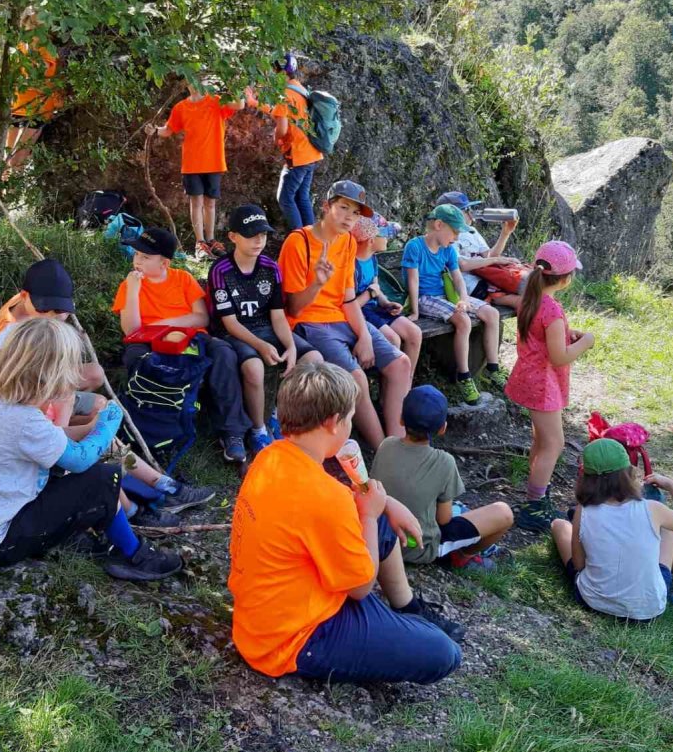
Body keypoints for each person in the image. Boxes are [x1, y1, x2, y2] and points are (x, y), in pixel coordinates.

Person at [228, 361, 464, 684]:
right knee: (444, 652)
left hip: (264, 618)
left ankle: (406, 608)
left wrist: (387, 504)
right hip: (297, 638)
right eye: (350, 418)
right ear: (332, 422)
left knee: (374, 516)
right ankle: (404, 627)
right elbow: (361, 588)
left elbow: (328, 505)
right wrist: (369, 515)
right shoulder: (326, 497)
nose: (351, 425)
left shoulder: (269, 458)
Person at [0, 318, 181, 581]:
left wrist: (90, 428)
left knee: (83, 475)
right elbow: (80, 460)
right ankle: (134, 554)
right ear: (50, 373)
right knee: (102, 478)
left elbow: (54, 441)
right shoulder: (25, 421)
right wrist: (107, 424)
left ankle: (90, 532)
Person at [278, 180, 412, 450]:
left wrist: (364, 336)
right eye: (343, 208)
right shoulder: (298, 242)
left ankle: (398, 448)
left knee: (402, 364)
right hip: (309, 323)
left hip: (342, 317)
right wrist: (316, 283)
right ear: (325, 206)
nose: (349, 217)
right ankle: (382, 452)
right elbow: (292, 309)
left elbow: (348, 298)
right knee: (357, 379)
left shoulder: (348, 242)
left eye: (356, 213)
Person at [112, 226, 251, 464]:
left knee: (223, 352)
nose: (138, 261)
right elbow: (131, 330)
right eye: (137, 255)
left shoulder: (183, 279)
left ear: (164, 263)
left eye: (146, 257)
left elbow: (201, 318)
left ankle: (232, 432)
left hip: (190, 337)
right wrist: (133, 291)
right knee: (135, 357)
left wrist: (163, 324)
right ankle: (150, 425)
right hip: (148, 342)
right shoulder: (129, 285)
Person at [208, 204, 322, 454]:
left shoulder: (270, 267)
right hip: (234, 332)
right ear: (233, 237)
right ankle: (258, 429)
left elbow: (278, 315)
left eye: (263, 234)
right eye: (251, 235)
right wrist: (260, 345)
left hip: (267, 327)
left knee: (313, 359)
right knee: (254, 367)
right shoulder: (220, 270)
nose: (258, 241)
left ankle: (280, 414)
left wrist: (290, 346)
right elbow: (230, 322)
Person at [372, 385, 514, 571]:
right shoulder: (444, 462)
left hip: (379, 537)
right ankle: (463, 557)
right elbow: (444, 519)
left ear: (401, 419)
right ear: (442, 428)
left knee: (459, 508)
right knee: (504, 513)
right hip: (418, 548)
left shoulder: (386, 445)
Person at [504, 240, 594, 533]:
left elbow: (542, 336)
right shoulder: (551, 309)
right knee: (554, 444)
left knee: (542, 441)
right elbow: (559, 356)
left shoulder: (530, 299)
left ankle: (537, 492)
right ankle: (533, 506)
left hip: (529, 378)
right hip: (543, 385)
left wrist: (567, 333)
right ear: (565, 279)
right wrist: (585, 342)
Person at [551, 439, 673, 619]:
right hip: (648, 609)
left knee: (558, 524)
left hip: (593, 601)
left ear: (586, 478)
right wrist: (672, 486)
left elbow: (579, 565)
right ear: (629, 473)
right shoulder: (653, 509)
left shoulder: (583, 510)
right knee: (669, 530)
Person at [402, 203, 506, 407]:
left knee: (491, 313)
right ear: (439, 225)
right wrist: (414, 311)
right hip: (425, 297)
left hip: (445, 295)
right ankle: (464, 376)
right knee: (463, 321)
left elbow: (457, 278)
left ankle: (493, 368)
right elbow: (412, 281)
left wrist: (463, 299)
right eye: (455, 232)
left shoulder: (448, 249)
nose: (457, 238)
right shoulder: (415, 246)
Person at [0, 259, 105, 418]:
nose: (51, 317)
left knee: (95, 373)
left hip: (32, 379)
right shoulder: (10, 334)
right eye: (44, 309)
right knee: (98, 406)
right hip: (9, 398)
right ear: (24, 296)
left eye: (59, 309)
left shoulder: (24, 301)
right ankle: (55, 421)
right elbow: (17, 386)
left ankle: (63, 415)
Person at [151, 80, 246, 259]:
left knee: (210, 203)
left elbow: (239, 104)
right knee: (196, 203)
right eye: (190, 78)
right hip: (191, 163)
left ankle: (211, 241)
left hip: (214, 162)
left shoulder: (216, 100)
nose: (194, 82)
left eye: (198, 78)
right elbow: (168, 130)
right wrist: (154, 130)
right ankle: (200, 243)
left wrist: (236, 80)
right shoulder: (181, 107)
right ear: (186, 82)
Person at [353, 214, 422, 377]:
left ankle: (406, 383)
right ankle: (389, 385)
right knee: (393, 339)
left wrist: (386, 303)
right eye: (385, 235)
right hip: (360, 313)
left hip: (375, 307)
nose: (388, 239)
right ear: (371, 240)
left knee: (415, 333)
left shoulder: (372, 259)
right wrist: (370, 293)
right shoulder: (352, 265)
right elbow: (350, 305)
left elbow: (377, 290)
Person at [437, 190, 527, 310]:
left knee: (530, 290)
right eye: (466, 209)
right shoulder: (448, 236)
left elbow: (489, 256)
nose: (471, 212)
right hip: (472, 285)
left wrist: (505, 233)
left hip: (489, 277)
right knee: (524, 301)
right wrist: (495, 260)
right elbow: (462, 265)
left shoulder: (472, 231)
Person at [4, 7, 64, 176]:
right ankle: (3, 189)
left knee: (16, 160)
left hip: (38, 109)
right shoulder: (21, 46)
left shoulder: (46, 49)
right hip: (19, 106)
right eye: (31, 22)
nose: (34, 27)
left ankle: (11, 188)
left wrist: (28, 84)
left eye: (38, 24)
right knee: (8, 160)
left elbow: (43, 82)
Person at [269, 52, 323, 230]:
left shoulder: (283, 95)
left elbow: (282, 129)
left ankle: (299, 238)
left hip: (297, 156)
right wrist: (255, 103)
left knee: (285, 198)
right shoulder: (300, 89)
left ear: (282, 72)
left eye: (273, 70)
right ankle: (311, 237)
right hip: (311, 153)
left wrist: (275, 137)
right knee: (302, 197)